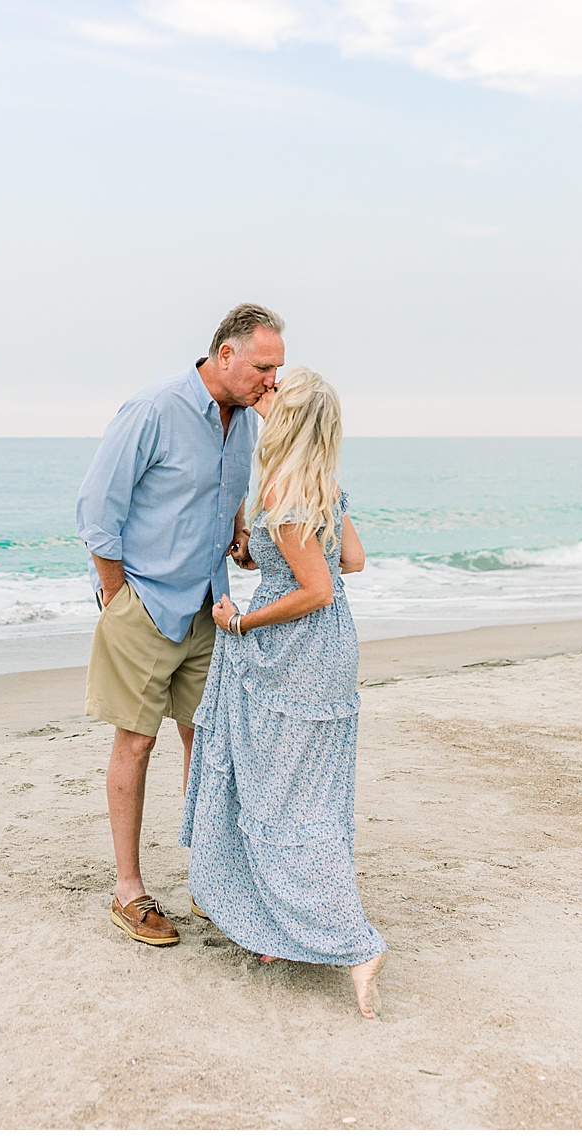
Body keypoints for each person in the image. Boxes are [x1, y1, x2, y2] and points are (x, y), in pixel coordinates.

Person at [74, 303, 284, 947]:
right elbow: (95, 511)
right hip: (144, 602)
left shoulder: (245, 420)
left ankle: (210, 881)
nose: (270, 381)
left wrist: (241, 531)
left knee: (207, 742)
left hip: (209, 606)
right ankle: (129, 892)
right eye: (262, 367)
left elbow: (226, 492)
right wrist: (118, 597)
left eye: (276, 369)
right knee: (135, 742)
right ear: (224, 354)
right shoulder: (153, 409)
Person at [181, 368, 388, 1017]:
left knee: (278, 795)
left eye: (273, 395)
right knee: (305, 794)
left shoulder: (283, 487)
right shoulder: (321, 483)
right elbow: (349, 560)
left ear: (291, 419)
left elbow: (319, 587)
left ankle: (351, 944)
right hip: (330, 653)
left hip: (292, 655)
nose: (260, 397)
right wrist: (265, 553)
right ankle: (280, 921)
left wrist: (241, 619)